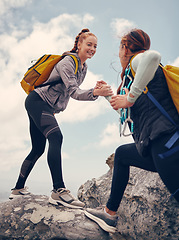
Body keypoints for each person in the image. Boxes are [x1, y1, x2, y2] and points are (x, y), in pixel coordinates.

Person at [84, 29, 179, 232]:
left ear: (126, 48)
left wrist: (129, 98)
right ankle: (109, 214)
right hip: (157, 148)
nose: (119, 54)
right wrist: (109, 96)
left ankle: (110, 214)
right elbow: (132, 116)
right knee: (122, 155)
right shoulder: (134, 78)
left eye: (120, 48)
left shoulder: (138, 60)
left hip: (167, 143)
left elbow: (153, 56)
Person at [9, 28, 113, 209]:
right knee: (56, 137)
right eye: (89, 44)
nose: (92, 49)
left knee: (38, 148)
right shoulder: (68, 62)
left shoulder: (83, 67)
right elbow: (74, 93)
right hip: (38, 102)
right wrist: (96, 92)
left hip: (42, 104)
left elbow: (67, 90)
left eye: (95, 46)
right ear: (79, 44)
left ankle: (18, 189)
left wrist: (94, 89)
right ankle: (58, 190)